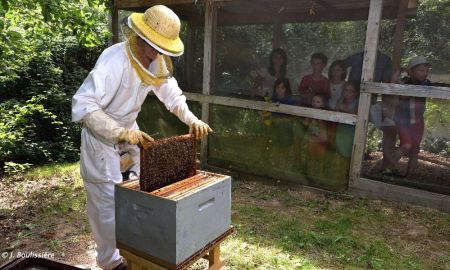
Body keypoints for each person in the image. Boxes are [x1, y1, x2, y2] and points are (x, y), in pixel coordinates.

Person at [71, 5, 212, 270]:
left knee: (137, 194)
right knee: (106, 204)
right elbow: (84, 105)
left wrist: (192, 119)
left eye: (163, 48)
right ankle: (111, 262)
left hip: (131, 135)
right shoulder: (113, 60)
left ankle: (134, 249)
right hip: (101, 140)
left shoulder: (156, 62)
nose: (158, 53)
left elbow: (171, 94)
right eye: (155, 46)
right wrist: (120, 132)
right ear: (142, 37)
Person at [384, 56, 431, 177]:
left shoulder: (426, 83)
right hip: (403, 121)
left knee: (414, 151)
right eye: (421, 70)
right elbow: (396, 92)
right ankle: (387, 169)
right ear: (411, 71)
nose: (424, 73)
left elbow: (410, 93)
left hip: (418, 122)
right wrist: (394, 79)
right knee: (406, 145)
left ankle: (408, 177)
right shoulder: (404, 82)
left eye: (426, 71)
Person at [303, 94, 329, 180]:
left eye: (318, 102)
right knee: (311, 157)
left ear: (323, 104)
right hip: (312, 140)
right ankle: (311, 174)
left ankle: (320, 175)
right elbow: (305, 124)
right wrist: (308, 118)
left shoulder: (324, 114)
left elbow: (324, 126)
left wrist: (319, 120)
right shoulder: (310, 112)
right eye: (313, 101)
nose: (315, 103)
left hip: (321, 141)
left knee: (320, 159)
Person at [335, 81, 360, 158]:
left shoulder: (357, 102)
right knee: (340, 147)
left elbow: (356, 114)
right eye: (346, 90)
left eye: (351, 91)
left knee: (349, 149)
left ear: (355, 93)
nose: (348, 93)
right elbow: (336, 111)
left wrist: (346, 110)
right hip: (341, 129)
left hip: (351, 130)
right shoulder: (340, 101)